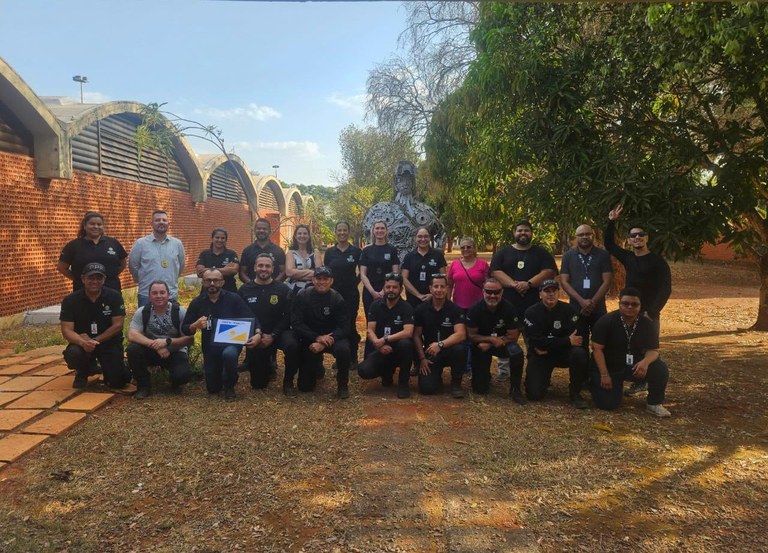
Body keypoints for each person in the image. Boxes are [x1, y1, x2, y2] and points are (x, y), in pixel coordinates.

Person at [605, 205, 672, 396]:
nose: (637, 238)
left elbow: (665, 289)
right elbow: (609, 245)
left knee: (649, 349)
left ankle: (650, 382)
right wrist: (611, 222)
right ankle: (637, 381)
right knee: (631, 347)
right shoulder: (628, 258)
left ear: (646, 238)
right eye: (633, 235)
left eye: (641, 234)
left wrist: (651, 312)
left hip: (648, 313)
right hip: (629, 311)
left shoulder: (658, 262)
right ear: (629, 240)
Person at [490, 220, 557, 381]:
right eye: (520, 230)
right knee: (504, 337)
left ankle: (535, 372)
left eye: (526, 231)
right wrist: (514, 284)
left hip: (533, 307)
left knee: (533, 341)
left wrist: (528, 284)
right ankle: (504, 372)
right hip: (508, 306)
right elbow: (494, 271)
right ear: (514, 233)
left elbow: (550, 271)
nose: (523, 233)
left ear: (531, 233)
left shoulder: (541, 253)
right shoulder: (503, 252)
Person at [590, 287, 671, 417]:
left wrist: (645, 362)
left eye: (634, 304)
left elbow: (654, 350)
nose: (629, 307)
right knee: (607, 404)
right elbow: (597, 349)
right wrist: (604, 375)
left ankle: (654, 403)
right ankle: (598, 384)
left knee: (659, 369)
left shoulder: (646, 324)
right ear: (619, 304)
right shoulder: (606, 321)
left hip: (635, 366)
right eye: (625, 303)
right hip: (611, 367)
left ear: (640, 306)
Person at [182, 268, 261, 401]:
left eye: (216, 280)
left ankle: (230, 385)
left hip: (231, 343)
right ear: (203, 282)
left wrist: (258, 333)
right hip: (210, 347)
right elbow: (184, 328)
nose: (212, 283)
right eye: (208, 280)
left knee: (229, 355)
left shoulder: (234, 298)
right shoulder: (197, 302)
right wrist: (194, 326)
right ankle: (222, 374)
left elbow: (251, 318)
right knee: (213, 388)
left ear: (222, 283)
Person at [59, 262, 130, 390]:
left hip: (107, 342)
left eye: (99, 278)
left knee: (118, 382)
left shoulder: (114, 296)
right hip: (82, 344)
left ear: (104, 280)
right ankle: (83, 371)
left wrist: (95, 340)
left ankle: (116, 365)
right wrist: (82, 342)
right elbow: (66, 330)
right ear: (83, 279)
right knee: (73, 353)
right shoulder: (70, 300)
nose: (94, 281)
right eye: (90, 277)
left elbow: (118, 325)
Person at [238, 253, 300, 394]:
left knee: (292, 344)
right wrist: (257, 334)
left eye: (267, 266)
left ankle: (288, 382)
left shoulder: (283, 289)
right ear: (254, 268)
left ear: (273, 269)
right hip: (256, 335)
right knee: (258, 384)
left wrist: (273, 335)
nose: (263, 269)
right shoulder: (244, 290)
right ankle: (268, 366)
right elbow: (241, 315)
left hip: (279, 332)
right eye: (260, 265)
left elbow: (289, 316)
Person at [522, 280, 589, 409]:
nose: (551, 294)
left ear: (559, 293)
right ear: (540, 294)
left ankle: (575, 392)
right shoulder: (531, 312)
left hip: (560, 354)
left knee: (579, 353)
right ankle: (543, 379)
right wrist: (566, 341)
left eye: (554, 291)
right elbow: (536, 341)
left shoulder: (570, 311)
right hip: (540, 355)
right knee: (534, 395)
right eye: (547, 291)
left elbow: (577, 340)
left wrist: (550, 345)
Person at [126, 280, 194, 399]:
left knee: (182, 376)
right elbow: (132, 334)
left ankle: (175, 382)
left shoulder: (180, 311)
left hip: (175, 351)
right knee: (133, 349)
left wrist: (167, 342)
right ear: (149, 296)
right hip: (151, 350)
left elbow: (189, 339)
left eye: (162, 292)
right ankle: (143, 386)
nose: (158, 296)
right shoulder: (142, 311)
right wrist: (156, 345)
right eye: (155, 293)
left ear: (168, 294)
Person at [290, 267, 351, 399]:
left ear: (331, 281)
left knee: (344, 350)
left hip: (333, 337)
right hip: (310, 337)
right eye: (318, 278)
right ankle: (317, 366)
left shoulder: (337, 299)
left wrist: (325, 342)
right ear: (313, 280)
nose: (322, 282)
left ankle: (343, 385)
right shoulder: (302, 295)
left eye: (325, 279)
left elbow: (345, 327)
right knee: (305, 387)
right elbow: (296, 323)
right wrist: (316, 337)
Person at [465, 278, 526, 404]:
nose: (493, 295)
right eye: (489, 292)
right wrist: (491, 339)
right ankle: (484, 378)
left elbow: (513, 336)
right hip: (482, 346)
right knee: (479, 390)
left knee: (517, 352)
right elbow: (471, 336)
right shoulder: (475, 309)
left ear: (502, 292)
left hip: (503, 344)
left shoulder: (509, 308)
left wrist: (495, 341)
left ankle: (515, 389)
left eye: (496, 292)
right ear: (483, 292)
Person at [357, 273, 415, 398]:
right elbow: (370, 330)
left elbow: (408, 332)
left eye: (395, 287)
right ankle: (387, 373)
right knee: (363, 371)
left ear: (401, 289)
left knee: (406, 344)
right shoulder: (375, 305)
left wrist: (385, 339)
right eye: (388, 287)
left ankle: (403, 383)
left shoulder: (406, 307)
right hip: (382, 349)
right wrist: (379, 345)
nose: (391, 290)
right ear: (384, 288)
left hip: (399, 350)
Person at [413, 274, 467, 398]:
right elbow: (416, 336)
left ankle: (456, 383)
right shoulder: (421, 309)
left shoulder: (455, 309)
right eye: (436, 286)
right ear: (430, 288)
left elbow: (461, 334)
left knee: (460, 349)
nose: (439, 290)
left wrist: (440, 344)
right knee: (427, 389)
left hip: (449, 350)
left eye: (442, 286)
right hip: (430, 352)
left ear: (447, 288)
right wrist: (422, 359)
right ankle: (436, 378)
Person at [560, 224, 613, 349]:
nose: (584, 237)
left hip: (598, 307)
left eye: (587, 234)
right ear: (576, 237)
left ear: (593, 236)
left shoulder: (603, 255)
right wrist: (582, 301)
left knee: (600, 345)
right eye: (581, 234)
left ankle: (597, 368)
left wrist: (592, 303)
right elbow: (564, 282)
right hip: (576, 308)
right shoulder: (568, 256)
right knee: (578, 346)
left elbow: (607, 281)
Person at [323, 221, 363, 368]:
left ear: (348, 232)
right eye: (339, 230)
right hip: (333, 294)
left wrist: (354, 283)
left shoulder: (356, 252)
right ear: (335, 232)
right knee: (336, 324)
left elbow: (362, 272)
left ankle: (353, 357)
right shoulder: (329, 252)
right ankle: (340, 357)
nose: (342, 233)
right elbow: (326, 272)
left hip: (350, 294)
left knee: (350, 324)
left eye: (344, 230)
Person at [57, 211, 128, 293]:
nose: (96, 227)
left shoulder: (113, 243)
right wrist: (80, 279)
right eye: (92, 224)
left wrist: (111, 275)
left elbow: (123, 263)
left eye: (99, 224)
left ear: (103, 226)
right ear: (84, 226)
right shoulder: (74, 245)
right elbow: (61, 267)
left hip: (112, 291)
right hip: (83, 292)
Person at [129, 209, 186, 307]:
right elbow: (133, 266)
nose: (161, 222)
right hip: (147, 295)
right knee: (147, 322)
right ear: (151, 223)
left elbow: (180, 266)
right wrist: (142, 279)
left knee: (171, 322)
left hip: (170, 294)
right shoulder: (140, 243)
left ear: (169, 223)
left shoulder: (177, 244)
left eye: (164, 220)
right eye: (157, 220)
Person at [359, 221, 401, 319]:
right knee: (371, 321)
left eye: (382, 228)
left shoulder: (392, 249)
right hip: (369, 291)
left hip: (388, 290)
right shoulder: (366, 250)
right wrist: (373, 292)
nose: (379, 231)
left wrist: (383, 291)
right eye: (377, 228)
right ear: (373, 231)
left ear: (386, 231)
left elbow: (395, 273)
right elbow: (363, 274)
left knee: (387, 320)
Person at [401, 227, 447, 308]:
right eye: (420, 236)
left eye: (426, 236)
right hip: (413, 300)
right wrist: (418, 295)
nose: (423, 239)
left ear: (430, 238)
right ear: (415, 238)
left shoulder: (438, 255)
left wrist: (432, 294)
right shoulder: (409, 256)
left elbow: (443, 277)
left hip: (434, 300)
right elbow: (404, 278)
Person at [447, 237, 489, 311]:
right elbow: (449, 286)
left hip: (479, 306)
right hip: (458, 306)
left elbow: (488, 286)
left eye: (468, 247)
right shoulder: (454, 264)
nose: (465, 249)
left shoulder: (483, 264)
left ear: (474, 248)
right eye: (462, 248)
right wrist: (448, 303)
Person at [239, 218, 286, 284]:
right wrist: (251, 285)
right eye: (259, 228)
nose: (261, 230)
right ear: (254, 230)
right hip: (252, 290)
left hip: (273, 290)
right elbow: (242, 272)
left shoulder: (278, 251)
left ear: (270, 231)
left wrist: (273, 285)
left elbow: (283, 272)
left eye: (264, 229)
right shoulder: (247, 251)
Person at [195, 228, 240, 293]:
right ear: (212, 238)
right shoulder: (204, 254)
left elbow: (234, 270)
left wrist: (208, 270)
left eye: (223, 238)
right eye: (217, 237)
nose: (220, 240)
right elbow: (200, 273)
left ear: (226, 240)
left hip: (229, 291)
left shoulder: (231, 254)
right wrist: (224, 269)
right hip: (208, 292)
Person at [285, 224, 321, 296]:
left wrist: (297, 273)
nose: (302, 236)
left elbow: (319, 274)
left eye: (305, 233)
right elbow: (289, 273)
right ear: (295, 236)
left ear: (308, 236)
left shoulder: (315, 252)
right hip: (293, 291)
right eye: (299, 233)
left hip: (312, 290)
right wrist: (311, 271)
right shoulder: (290, 253)